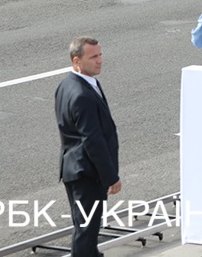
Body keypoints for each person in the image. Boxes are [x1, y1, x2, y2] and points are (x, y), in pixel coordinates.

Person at [54, 37, 120, 257]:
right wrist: (110, 176)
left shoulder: (68, 85)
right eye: (93, 57)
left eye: (100, 55)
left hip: (74, 168)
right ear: (76, 61)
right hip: (87, 173)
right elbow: (92, 140)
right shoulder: (82, 95)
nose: (100, 61)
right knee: (86, 230)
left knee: (87, 229)